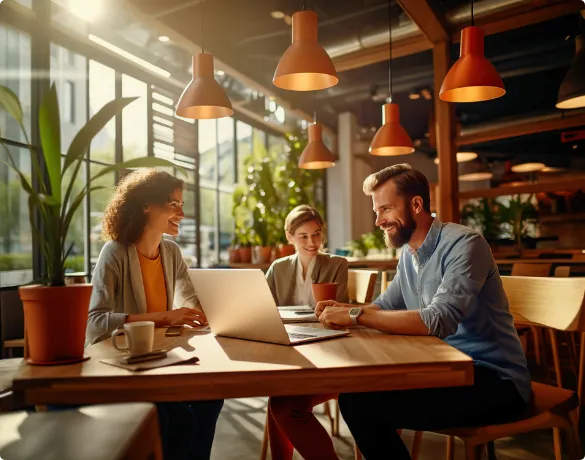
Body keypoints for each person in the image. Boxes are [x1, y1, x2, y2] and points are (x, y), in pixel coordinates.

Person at [316, 164, 531, 460]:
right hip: (443, 370)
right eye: (377, 211)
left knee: (361, 404)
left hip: (494, 379)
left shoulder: (465, 244)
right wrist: (346, 308)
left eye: (386, 209)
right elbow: (384, 306)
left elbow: (438, 319)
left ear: (416, 204)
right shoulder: (409, 254)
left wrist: (355, 316)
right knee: (355, 397)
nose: (378, 221)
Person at [87, 169, 223, 460]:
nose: (182, 214)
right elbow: (95, 322)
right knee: (181, 421)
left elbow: (191, 303)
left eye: (182, 205)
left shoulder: (171, 252)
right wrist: (165, 317)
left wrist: (221, 309)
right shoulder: (115, 252)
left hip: (160, 361)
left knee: (211, 397)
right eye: (173, 204)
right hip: (124, 367)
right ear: (146, 204)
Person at [265, 205, 348, 460]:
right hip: (291, 347)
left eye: (316, 234)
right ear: (290, 237)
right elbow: (265, 309)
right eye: (303, 236)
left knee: (280, 403)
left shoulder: (337, 264)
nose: (312, 242)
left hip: (328, 348)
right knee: (277, 398)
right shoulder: (278, 268)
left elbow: (339, 311)